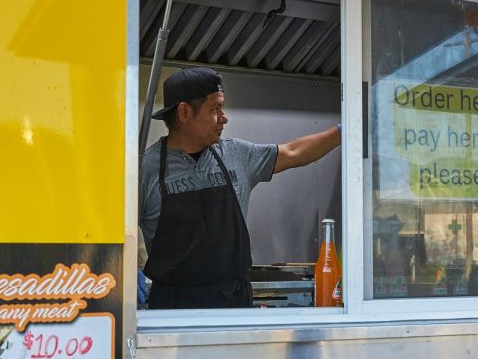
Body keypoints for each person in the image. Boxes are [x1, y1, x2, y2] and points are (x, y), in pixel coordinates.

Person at [140, 67, 341, 309]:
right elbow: (120, 236)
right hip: (173, 307)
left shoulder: (236, 155)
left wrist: (345, 129)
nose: (223, 117)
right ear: (184, 112)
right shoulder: (145, 170)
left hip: (233, 303)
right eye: (215, 108)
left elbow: (294, 152)